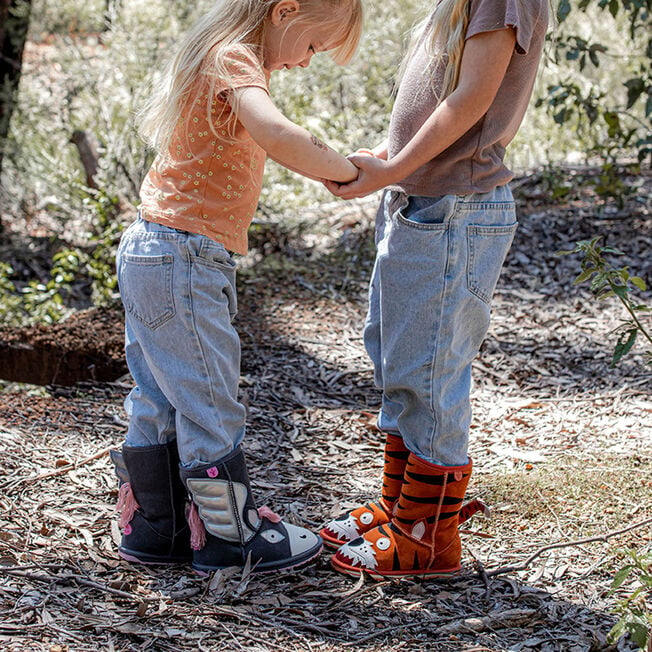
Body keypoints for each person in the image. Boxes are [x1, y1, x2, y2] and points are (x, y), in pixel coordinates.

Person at [110, 0, 362, 576]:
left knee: (160, 396)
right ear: (285, 11)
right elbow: (274, 131)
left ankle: (157, 528)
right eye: (314, 46)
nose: (305, 63)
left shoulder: (224, 54)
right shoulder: (235, 57)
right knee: (208, 397)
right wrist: (347, 171)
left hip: (154, 248)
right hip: (186, 256)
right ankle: (231, 536)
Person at [320, 0, 549, 579]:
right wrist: (392, 159)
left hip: (456, 207)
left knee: (431, 369)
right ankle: (402, 510)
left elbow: (472, 98)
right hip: (423, 203)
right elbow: (436, 92)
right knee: (400, 360)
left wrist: (396, 169)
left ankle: (428, 536)